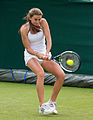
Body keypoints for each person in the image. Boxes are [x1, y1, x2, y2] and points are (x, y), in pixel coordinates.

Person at [20, 8, 65, 115]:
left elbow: (49, 39)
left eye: (39, 19)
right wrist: (38, 54)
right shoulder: (24, 29)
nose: (38, 21)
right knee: (41, 73)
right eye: (35, 19)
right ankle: (42, 106)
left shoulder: (43, 22)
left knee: (61, 75)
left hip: (44, 54)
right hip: (31, 56)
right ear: (30, 18)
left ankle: (52, 103)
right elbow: (28, 49)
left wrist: (47, 52)